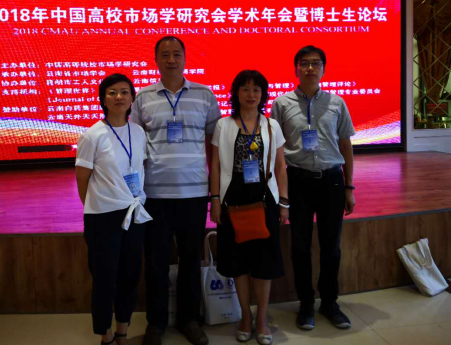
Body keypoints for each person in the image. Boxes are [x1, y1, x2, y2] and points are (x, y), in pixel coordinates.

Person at [130, 36, 221, 345]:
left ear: (185, 58)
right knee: (155, 260)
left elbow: (214, 147)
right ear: (156, 60)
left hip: (194, 193)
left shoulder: (205, 95)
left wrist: (214, 191)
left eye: (176, 54)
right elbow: (134, 146)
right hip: (154, 194)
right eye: (165, 55)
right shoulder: (143, 98)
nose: (171, 60)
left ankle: (188, 320)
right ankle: (156, 323)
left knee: (191, 259)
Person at [270, 45, 356, 331]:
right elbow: (276, 152)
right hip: (298, 181)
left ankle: (330, 303)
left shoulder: (337, 102)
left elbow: (345, 146)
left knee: (331, 246)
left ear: (323, 69)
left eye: (315, 63)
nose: (310, 68)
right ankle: (306, 304)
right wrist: (280, 194)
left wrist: (349, 187)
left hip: (332, 181)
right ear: (296, 68)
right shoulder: (281, 104)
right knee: (300, 246)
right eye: (304, 63)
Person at [210, 70, 289, 345]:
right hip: (232, 198)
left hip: (265, 198)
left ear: (263, 94)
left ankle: (262, 318)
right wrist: (215, 200)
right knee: (238, 263)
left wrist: (284, 203)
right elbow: (216, 165)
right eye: (245, 89)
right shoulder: (223, 124)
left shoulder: (272, 125)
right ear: (236, 93)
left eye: (256, 89)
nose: (251, 94)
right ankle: (245, 316)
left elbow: (280, 166)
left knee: (264, 263)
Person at [76, 73, 152, 345]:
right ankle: (105, 335)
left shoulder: (138, 132)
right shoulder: (92, 135)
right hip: (103, 218)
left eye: (124, 91)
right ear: (103, 99)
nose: (119, 97)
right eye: (112, 92)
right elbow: (82, 179)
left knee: (130, 276)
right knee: (105, 279)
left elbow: (139, 168)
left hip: (134, 214)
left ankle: (122, 331)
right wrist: (98, 205)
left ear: (132, 98)